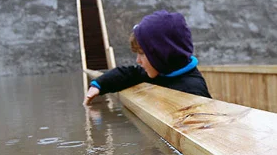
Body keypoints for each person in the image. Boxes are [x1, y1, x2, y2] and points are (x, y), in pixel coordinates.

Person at [83, 10, 212, 105]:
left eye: (142, 54)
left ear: (162, 54)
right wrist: (98, 85)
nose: (138, 60)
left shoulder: (193, 90)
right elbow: (128, 73)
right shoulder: (160, 72)